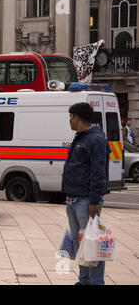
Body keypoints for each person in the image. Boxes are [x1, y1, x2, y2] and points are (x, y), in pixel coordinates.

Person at [62, 102, 110, 285]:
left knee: (93, 243)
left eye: (70, 116)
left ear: (77, 117)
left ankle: (96, 282)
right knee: (80, 243)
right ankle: (84, 281)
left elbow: (99, 173)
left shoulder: (95, 139)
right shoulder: (80, 137)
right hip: (73, 199)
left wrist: (95, 201)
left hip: (85, 201)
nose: (69, 120)